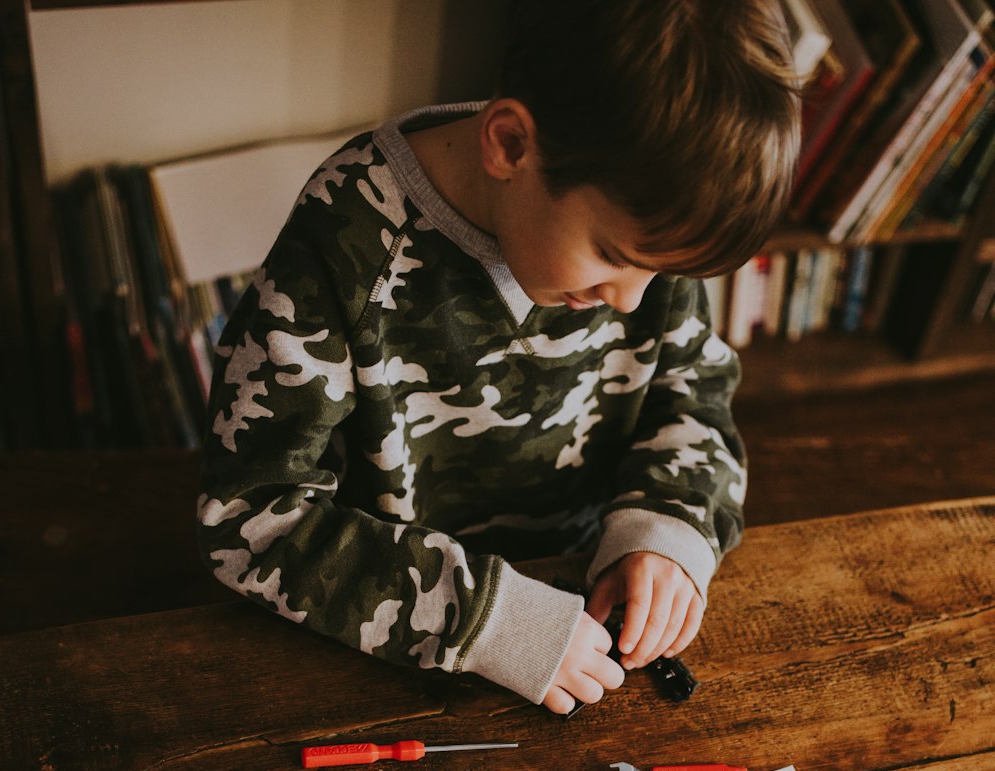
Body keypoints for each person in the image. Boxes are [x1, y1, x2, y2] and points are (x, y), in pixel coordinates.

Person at [198, 0, 800, 714]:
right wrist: (487, 620)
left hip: (581, 596)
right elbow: (251, 516)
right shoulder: (346, 236)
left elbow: (694, 395)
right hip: (393, 652)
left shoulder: (645, 227)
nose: (633, 303)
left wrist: (668, 531)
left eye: (663, 275)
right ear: (510, 144)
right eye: (611, 256)